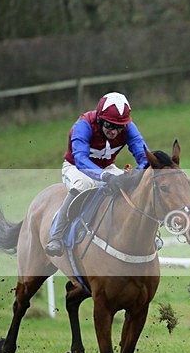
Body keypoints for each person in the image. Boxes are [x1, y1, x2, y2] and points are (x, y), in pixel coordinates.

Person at [44, 91, 150, 257]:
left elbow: (145, 156)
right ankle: (56, 236)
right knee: (84, 184)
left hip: (107, 167)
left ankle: (143, 234)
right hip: (76, 167)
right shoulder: (84, 125)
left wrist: (134, 175)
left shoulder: (129, 127)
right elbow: (80, 159)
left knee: (134, 186)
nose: (114, 131)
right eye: (110, 125)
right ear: (100, 119)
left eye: (119, 127)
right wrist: (105, 177)